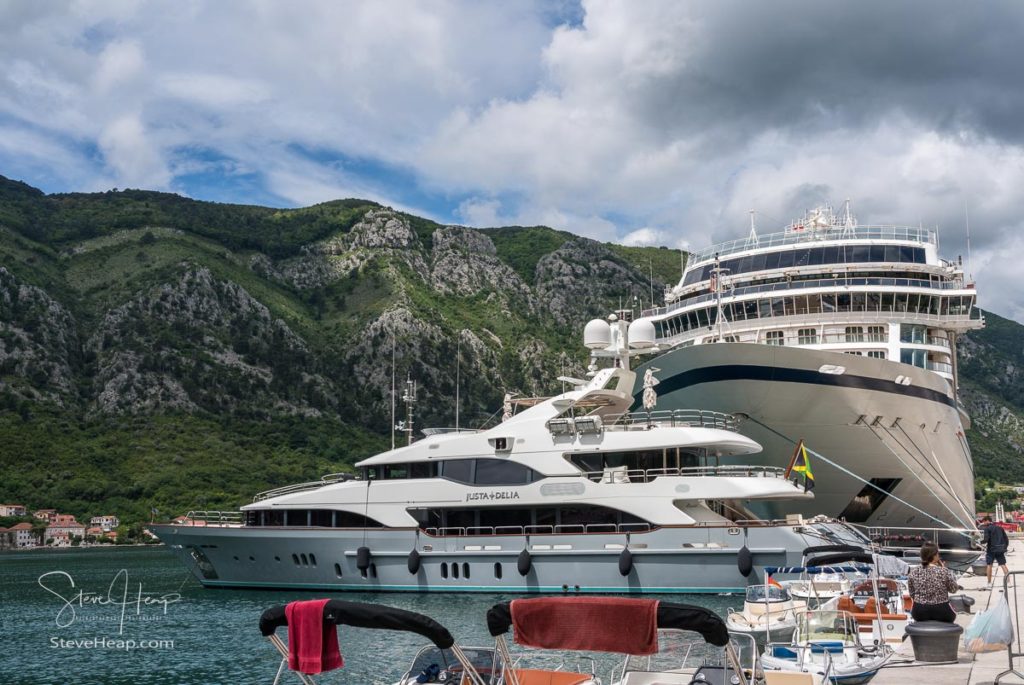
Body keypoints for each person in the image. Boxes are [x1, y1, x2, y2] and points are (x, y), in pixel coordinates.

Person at [907, 542, 958, 623]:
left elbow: (912, 594)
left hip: (919, 611)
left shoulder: (914, 572)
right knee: (952, 612)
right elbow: (954, 589)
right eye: (938, 553)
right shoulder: (943, 571)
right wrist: (945, 570)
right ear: (934, 555)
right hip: (942, 611)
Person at [981, 516, 1010, 586]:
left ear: (987, 520)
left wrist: (980, 542)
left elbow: (986, 540)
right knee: (1003, 564)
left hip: (991, 549)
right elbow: (1006, 539)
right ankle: (1009, 582)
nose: (983, 523)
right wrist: (1005, 548)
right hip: (1000, 549)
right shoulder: (1000, 528)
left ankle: (989, 583)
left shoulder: (987, 529)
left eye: (984, 521)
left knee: (989, 565)